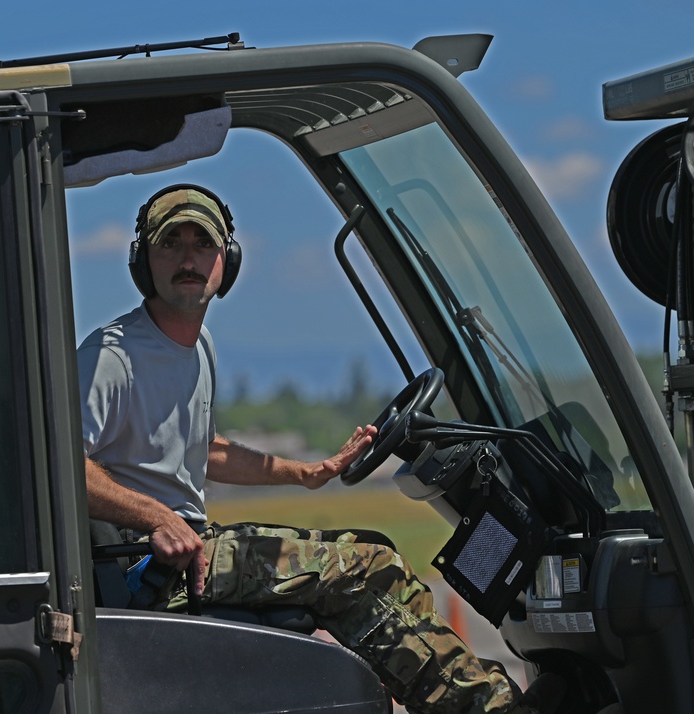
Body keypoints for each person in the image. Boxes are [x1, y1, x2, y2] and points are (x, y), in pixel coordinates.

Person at [77, 184, 563, 714]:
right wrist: (156, 517)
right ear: (143, 259)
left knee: (377, 551)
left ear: (226, 262)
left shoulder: (197, 347)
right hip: (151, 565)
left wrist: (306, 472)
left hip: (191, 546)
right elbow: (64, 468)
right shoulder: (113, 356)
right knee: (360, 568)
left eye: (203, 244)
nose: (189, 258)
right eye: (171, 243)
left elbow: (203, 449)